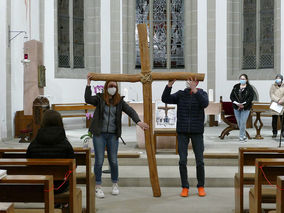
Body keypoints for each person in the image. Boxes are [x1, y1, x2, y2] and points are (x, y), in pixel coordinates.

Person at [85, 73, 149, 198]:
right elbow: (87, 99)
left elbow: (130, 111)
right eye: (110, 85)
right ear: (106, 87)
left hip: (113, 135)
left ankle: (115, 184)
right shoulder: (99, 98)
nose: (113, 87)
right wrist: (88, 84)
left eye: (114, 86)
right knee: (99, 160)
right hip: (100, 134)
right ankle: (98, 186)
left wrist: (139, 122)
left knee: (113, 161)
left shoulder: (119, 101)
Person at [162, 77, 209, 197]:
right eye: (188, 81)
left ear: (197, 82)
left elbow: (204, 104)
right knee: (182, 160)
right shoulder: (181, 94)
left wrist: (195, 91)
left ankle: (201, 186)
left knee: (200, 160)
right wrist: (169, 85)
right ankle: (185, 186)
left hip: (197, 131)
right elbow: (165, 99)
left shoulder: (202, 93)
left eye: (192, 81)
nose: (189, 82)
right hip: (182, 131)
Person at [26, 109, 75, 195]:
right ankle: (63, 204)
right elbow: (73, 165)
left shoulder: (34, 143)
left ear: (43, 122)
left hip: (39, 186)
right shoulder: (65, 143)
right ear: (60, 122)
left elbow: (28, 163)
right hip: (60, 187)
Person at [230, 74, 254, 142]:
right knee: (239, 123)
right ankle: (244, 135)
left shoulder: (249, 88)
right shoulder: (236, 87)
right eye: (241, 78)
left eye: (243, 79)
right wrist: (236, 103)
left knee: (243, 122)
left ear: (246, 80)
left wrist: (244, 105)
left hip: (245, 107)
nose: (242, 80)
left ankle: (241, 137)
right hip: (236, 107)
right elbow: (231, 96)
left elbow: (250, 98)